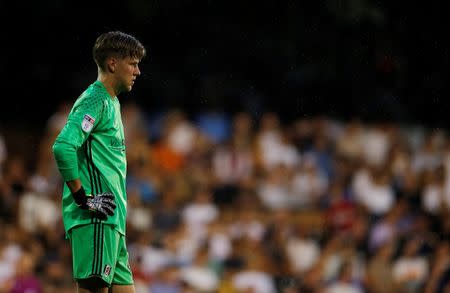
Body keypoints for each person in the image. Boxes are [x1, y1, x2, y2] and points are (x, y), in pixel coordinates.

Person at [52, 31, 146, 293]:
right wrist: (84, 198)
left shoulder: (112, 103)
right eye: (133, 63)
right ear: (112, 63)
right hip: (96, 216)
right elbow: (63, 146)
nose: (138, 71)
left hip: (112, 221)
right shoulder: (95, 99)